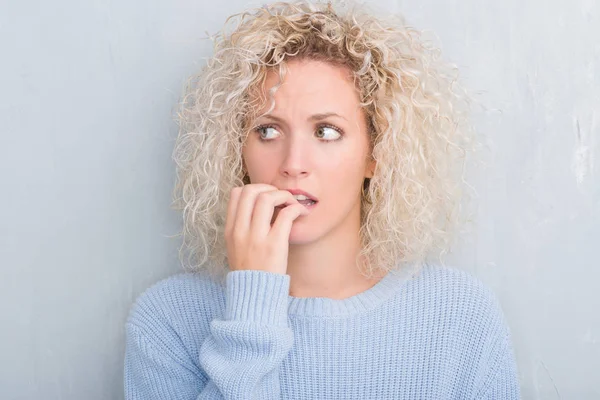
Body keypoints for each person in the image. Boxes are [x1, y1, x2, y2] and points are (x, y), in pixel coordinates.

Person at [124, 1, 521, 398]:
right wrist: (252, 307)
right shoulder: (168, 320)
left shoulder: (460, 315)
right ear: (235, 150)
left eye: (327, 132)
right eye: (267, 131)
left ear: (375, 154)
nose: (294, 164)